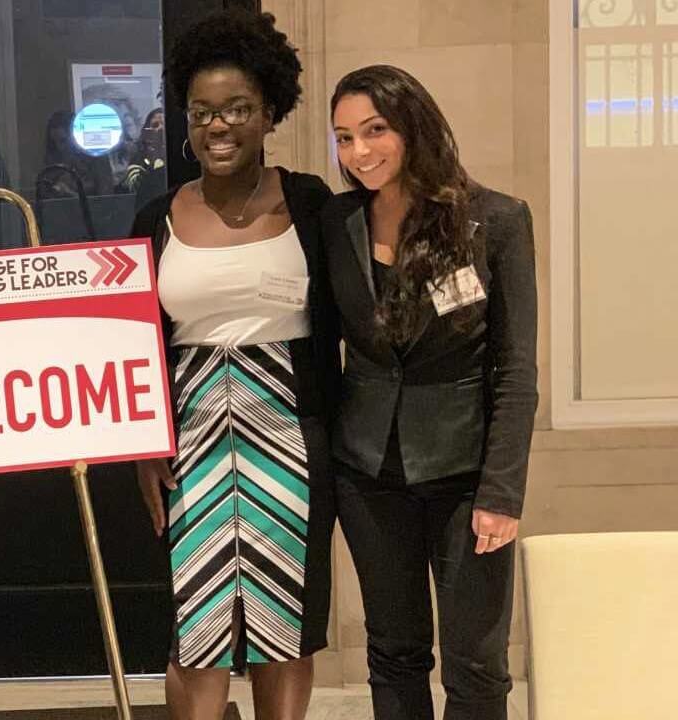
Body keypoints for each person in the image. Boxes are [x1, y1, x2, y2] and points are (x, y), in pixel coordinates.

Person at [129, 10, 340, 720]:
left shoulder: (310, 203)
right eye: (202, 112)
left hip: (290, 435)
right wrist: (142, 447)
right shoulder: (154, 216)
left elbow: (348, 322)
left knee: (286, 624)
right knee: (197, 625)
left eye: (238, 109)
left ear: (270, 112)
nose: (219, 126)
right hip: (188, 443)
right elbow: (135, 343)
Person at [324, 64, 537, 720]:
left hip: (466, 476)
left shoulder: (495, 220)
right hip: (367, 473)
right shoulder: (336, 222)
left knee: (476, 663)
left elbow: (517, 369)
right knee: (393, 652)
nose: (359, 152)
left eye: (375, 130)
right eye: (343, 137)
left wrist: (502, 493)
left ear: (412, 126)